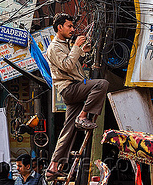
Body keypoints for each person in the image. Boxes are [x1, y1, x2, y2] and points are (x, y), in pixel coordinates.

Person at [45, 13, 109, 181]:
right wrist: (76, 48)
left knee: (68, 130)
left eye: (73, 27)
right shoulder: (54, 47)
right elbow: (66, 65)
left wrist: (82, 52)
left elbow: (72, 63)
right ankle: (83, 116)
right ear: (60, 27)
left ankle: (53, 166)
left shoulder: (64, 45)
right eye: (69, 26)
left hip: (73, 88)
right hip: (69, 88)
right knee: (101, 84)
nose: (72, 30)